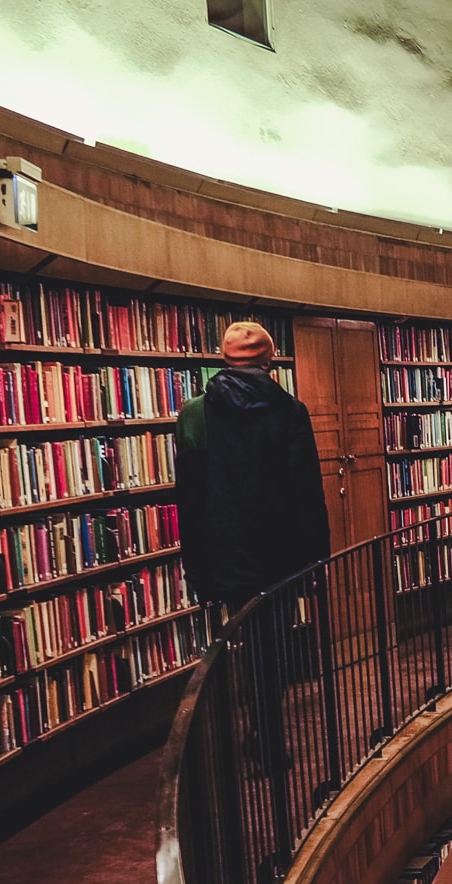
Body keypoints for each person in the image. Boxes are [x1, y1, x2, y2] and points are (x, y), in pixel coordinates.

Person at [175, 321, 329, 780]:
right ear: (269, 360)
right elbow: (306, 491)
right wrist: (317, 558)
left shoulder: (195, 414)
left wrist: (196, 565)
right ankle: (265, 730)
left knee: (229, 643)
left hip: (223, 550)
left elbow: (191, 496)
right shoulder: (289, 410)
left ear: (223, 360)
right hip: (279, 553)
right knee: (273, 643)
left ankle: (234, 737)